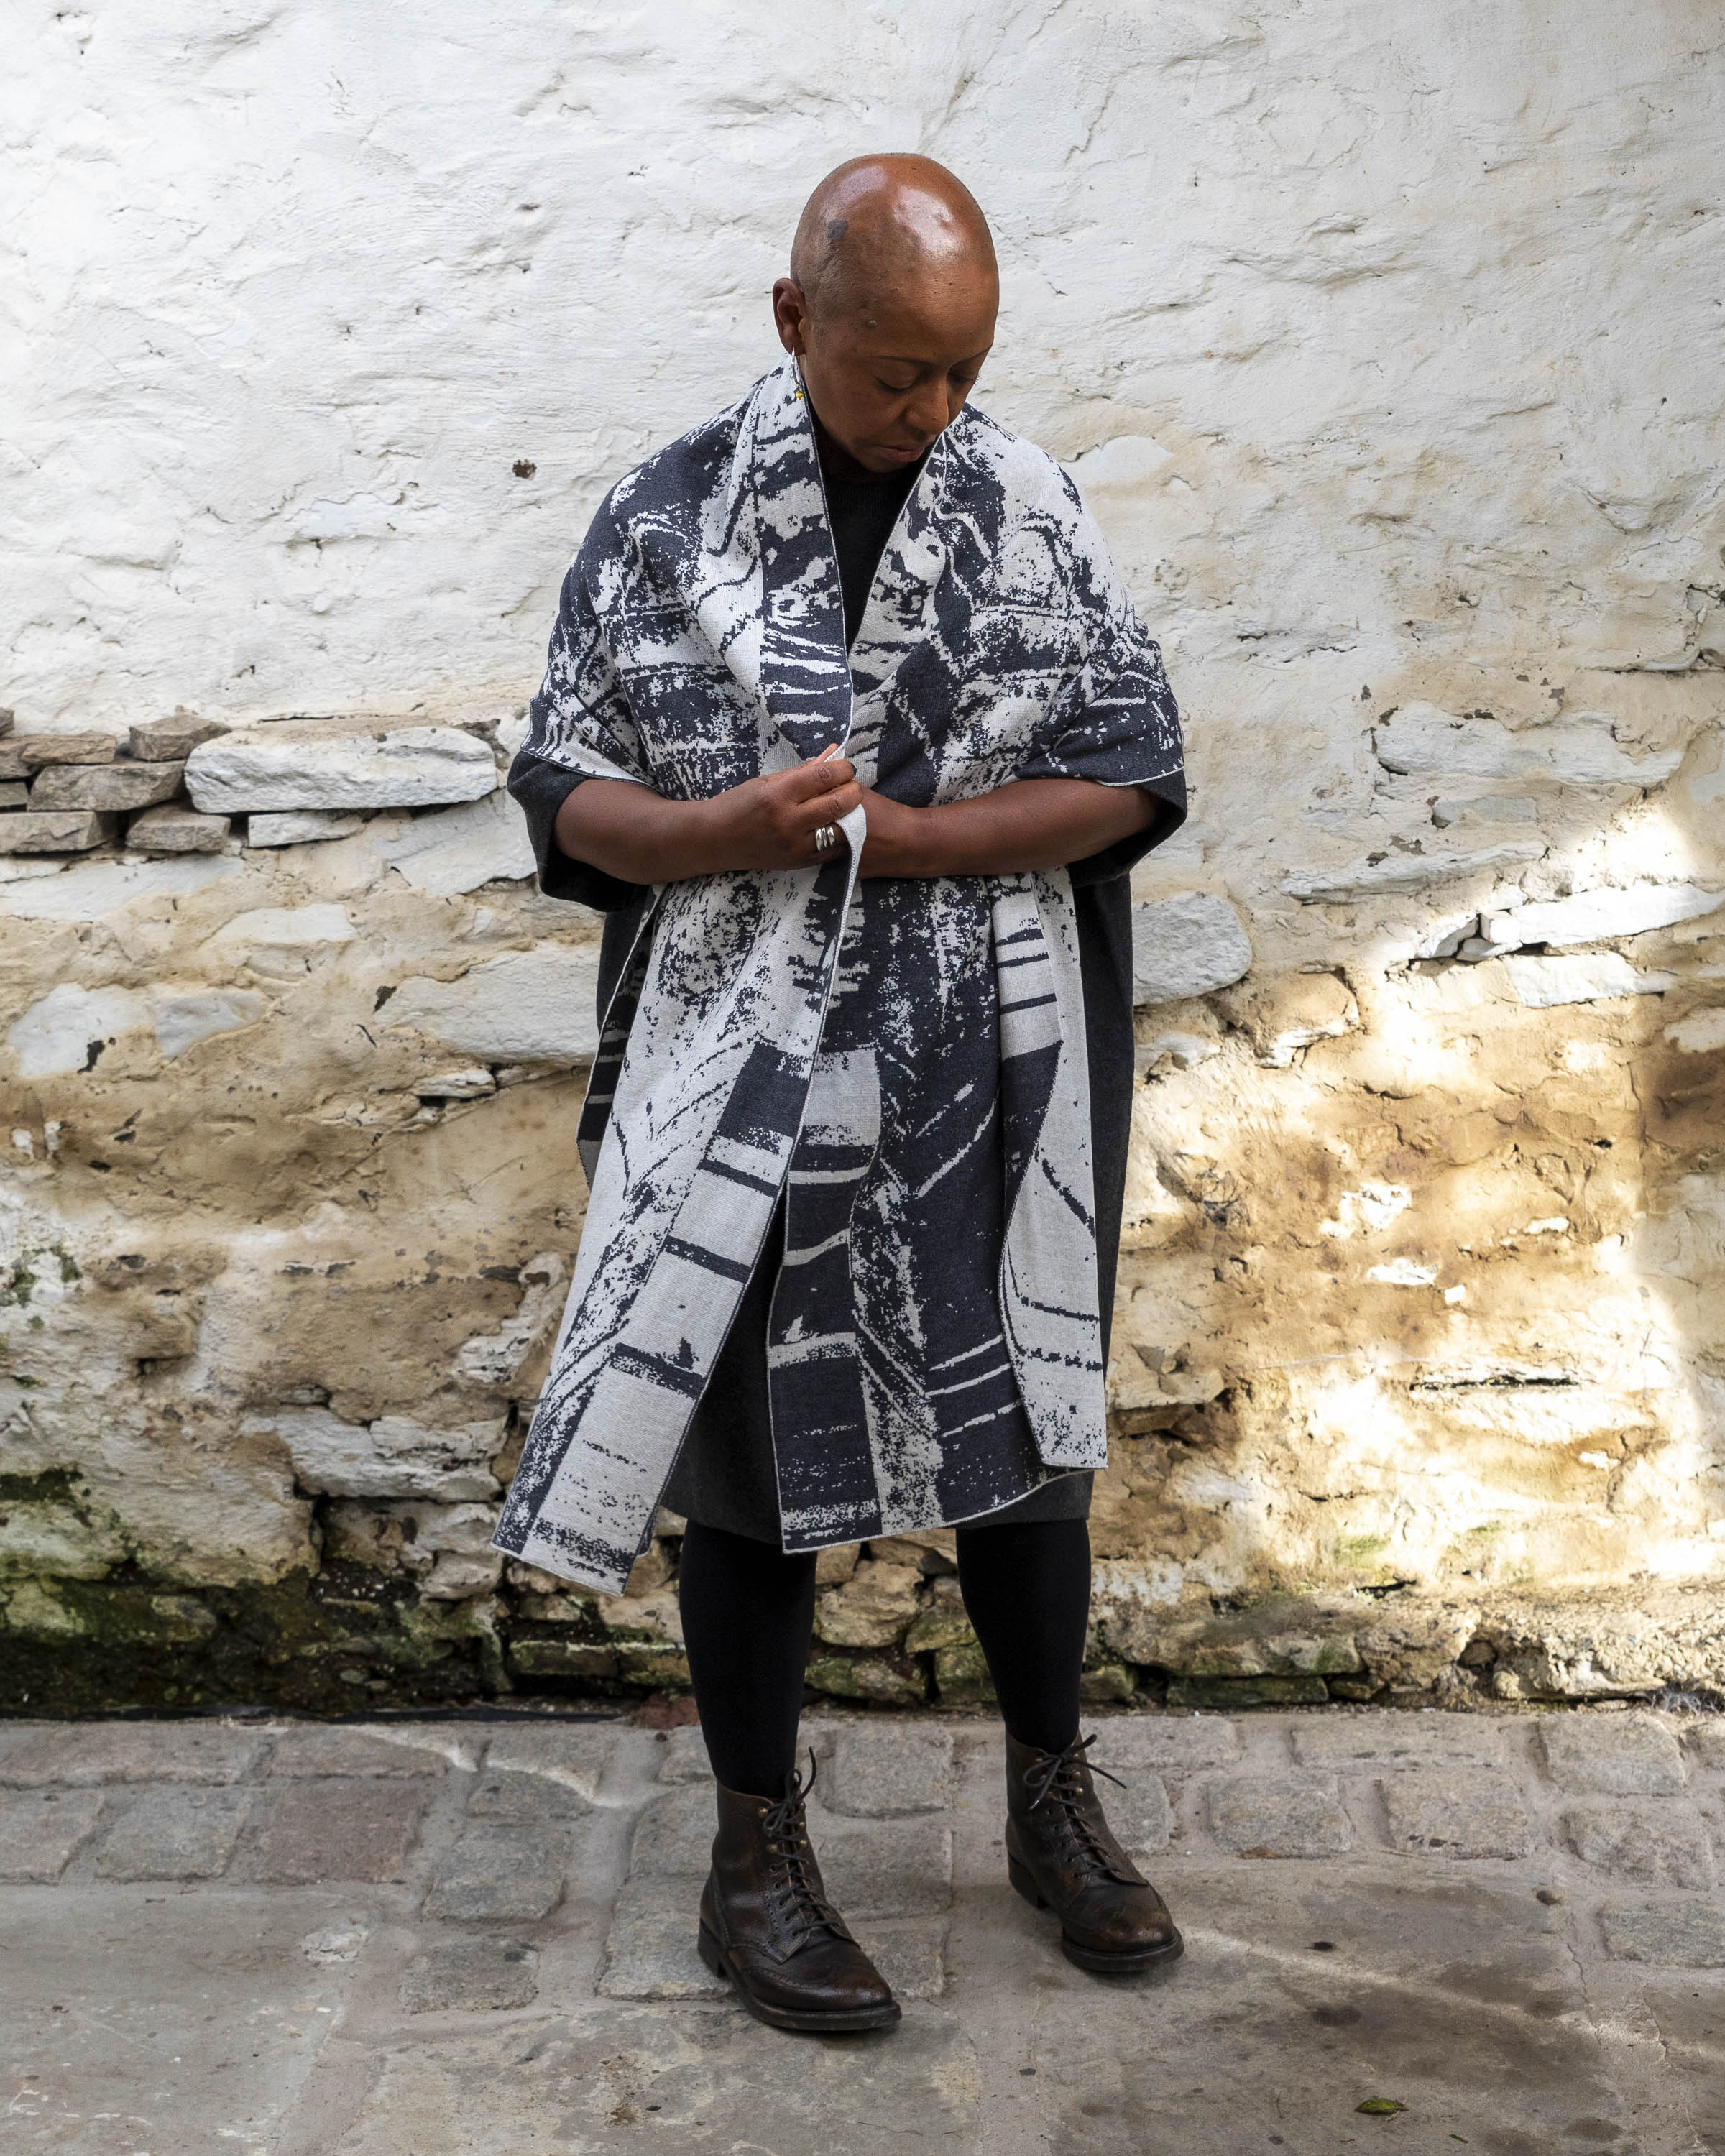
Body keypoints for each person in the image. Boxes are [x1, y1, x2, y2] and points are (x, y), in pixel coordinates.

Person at [497, 154, 1188, 2035]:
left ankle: (1053, 1803)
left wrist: (924, 836)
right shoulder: (669, 523)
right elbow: (565, 790)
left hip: (996, 1050)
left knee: (1030, 1452)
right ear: (795, 321)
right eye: (897, 371)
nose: (933, 410)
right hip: (746, 1060)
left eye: (963, 368)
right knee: (750, 1471)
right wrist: (725, 829)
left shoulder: (1028, 505)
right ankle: (756, 1856)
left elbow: (1134, 770)